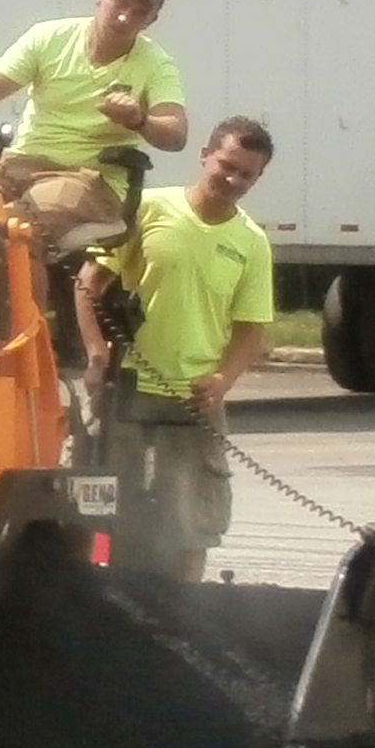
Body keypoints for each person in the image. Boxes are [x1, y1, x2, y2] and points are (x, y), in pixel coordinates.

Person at [72, 114, 276, 586]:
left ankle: (186, 613)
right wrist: (97, 353)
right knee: (107, 516)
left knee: (193, 525)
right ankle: (110, 608)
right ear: (204, 155)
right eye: (226, 165)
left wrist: (223, 380)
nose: (232, 179)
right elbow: (89, 285)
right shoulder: (148, 208)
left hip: (193, 400)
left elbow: (251, 329)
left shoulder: (251, 243)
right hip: (126, 389)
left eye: (246, 174)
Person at [0, 0, 189, 253]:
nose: (125, 17)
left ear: (151, 21)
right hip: (18, 163)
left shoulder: (157, 64)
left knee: (14, 233)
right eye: (120, 3)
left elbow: (176, 134)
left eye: (139, 12)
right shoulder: (48, 37)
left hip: (90, 179)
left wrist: (138, 119)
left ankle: (24, 301)